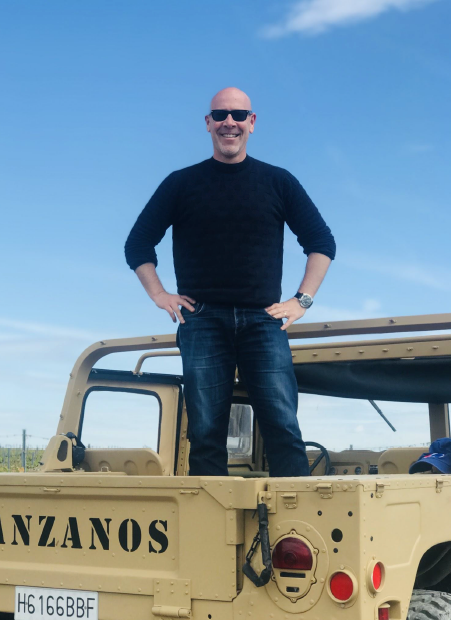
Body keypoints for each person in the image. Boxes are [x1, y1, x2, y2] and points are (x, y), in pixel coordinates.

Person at [124, 87, 336, 477]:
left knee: (283, 429)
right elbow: (137, 243)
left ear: (252, 124)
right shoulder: (180, 183)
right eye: (220, 115)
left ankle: (296, 523)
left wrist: (301, 301)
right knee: (205, 433)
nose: (229, 122)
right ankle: (209, 530)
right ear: (208, 124)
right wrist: (158, 293)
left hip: (264, 320)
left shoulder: (278, 182)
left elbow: (321, 242)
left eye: (239, 115)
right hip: (201, 321)